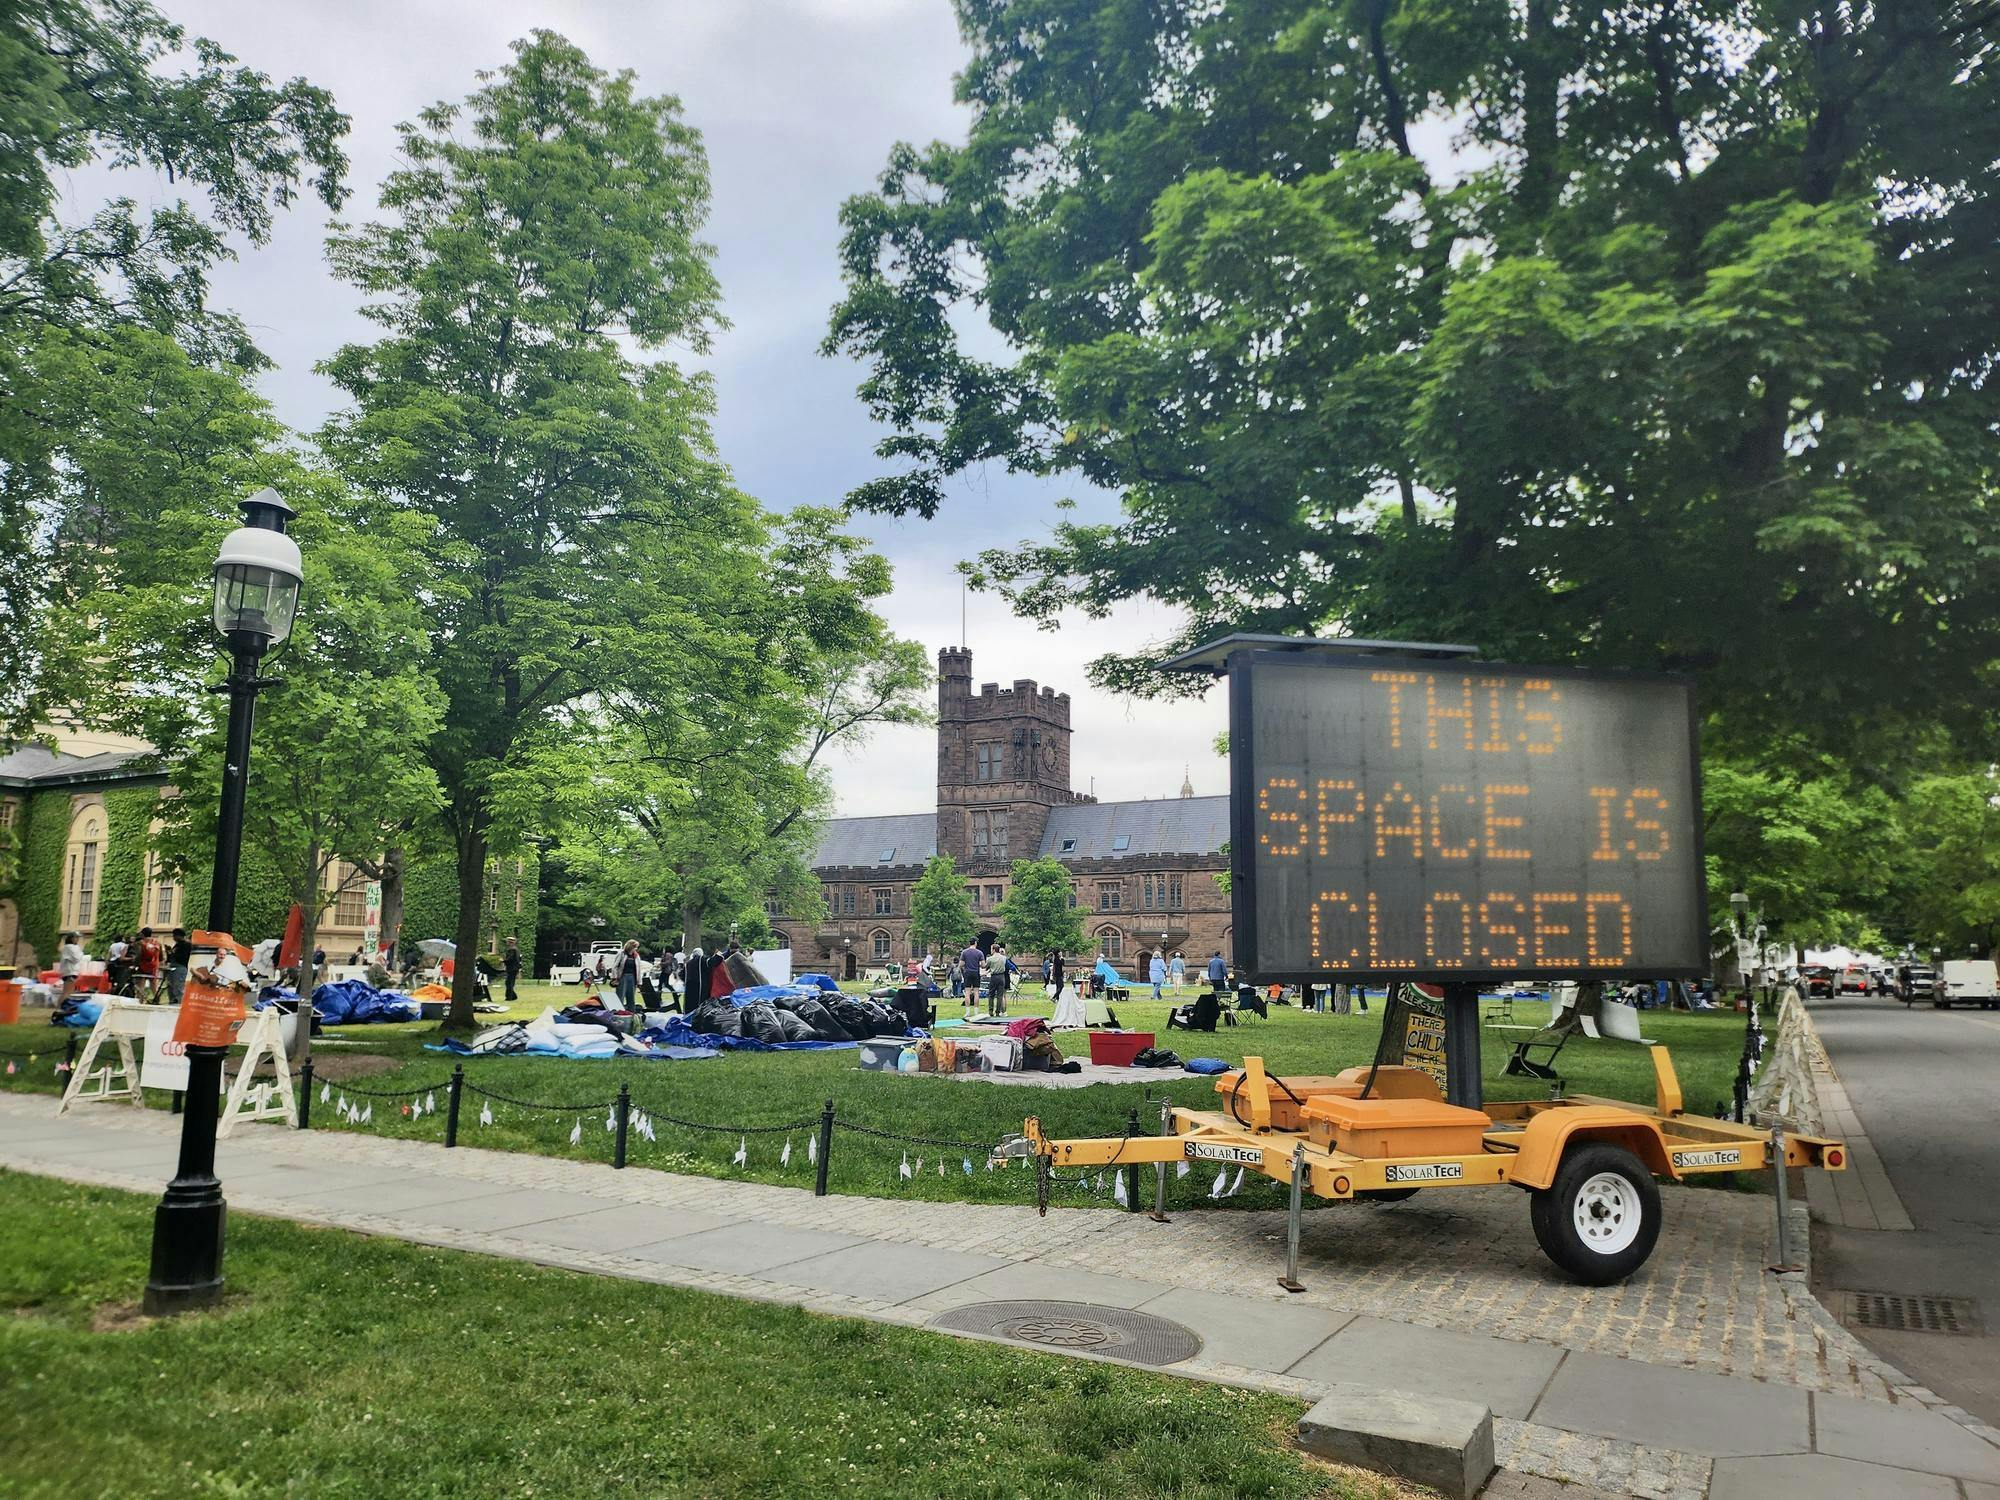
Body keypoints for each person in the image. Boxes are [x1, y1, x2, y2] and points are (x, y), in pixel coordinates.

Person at [164, 927, 192, 1004]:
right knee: (170, 985)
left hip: (180, 967)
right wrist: (169, 952)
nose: (173, 937)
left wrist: (172, 953)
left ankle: (180, 1002)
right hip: (173, 966)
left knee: (178, 986)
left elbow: (183, 957)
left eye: (175, 936)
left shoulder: (186, 945)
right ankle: (172, 1001)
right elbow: (172, 956)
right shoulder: (177, 945)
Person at [56, 931, 87, 1001]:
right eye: (75, 937)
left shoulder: (68, 947)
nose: (77, 939)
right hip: (70, 972)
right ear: (71, 938)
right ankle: (60, 1007)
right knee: (67, 992)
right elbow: (77, 958)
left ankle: (61, 1007)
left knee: (67, 992)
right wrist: (81, 951)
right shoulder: (70, 947)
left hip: (69, 971)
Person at [959, 939, 984, 1020]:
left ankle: (967, 1012)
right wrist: (978, 965)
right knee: (976, 992)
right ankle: (976, 1012)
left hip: (968, 973)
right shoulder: (979, 952)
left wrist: (966, 965)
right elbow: (983, 965)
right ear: (975, 943)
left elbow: (961, 964)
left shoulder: (964, 952)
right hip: (976, 973)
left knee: (967, 992)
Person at [135, 927, 162, 1002]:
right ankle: (157, 1000)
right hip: (153, 966)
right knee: (153, 986)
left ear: (142, 934)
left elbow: (138, 955)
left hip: (142, 966)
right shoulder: (157, 942)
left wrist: (135, 964)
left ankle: (140, 1001)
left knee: (141, 986)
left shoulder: (140, 942)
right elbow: (161, 956)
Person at [616, 939, 641, 1010]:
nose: (636, 949)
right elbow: (615, 966)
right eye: (635, 947)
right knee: (621, 995)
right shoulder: (621, 954)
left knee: (631, 996)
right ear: (630, 947)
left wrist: (639, 982)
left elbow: (639, 969)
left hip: (633, 977)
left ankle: (631, 1011)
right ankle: (619, 1010)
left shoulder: (636, 956)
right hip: (622, 976)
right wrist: (614, 978)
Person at [502, 936, 521, 1004]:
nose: (506, 943)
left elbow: (510, 959)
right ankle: (513, 996)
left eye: (507, 941)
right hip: (514, 968)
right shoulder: (516, 949)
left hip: (512, 968)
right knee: (509, 982)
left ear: (510, 942)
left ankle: (509, 997)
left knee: (509, 983)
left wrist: (503, 961)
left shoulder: (512, 950)